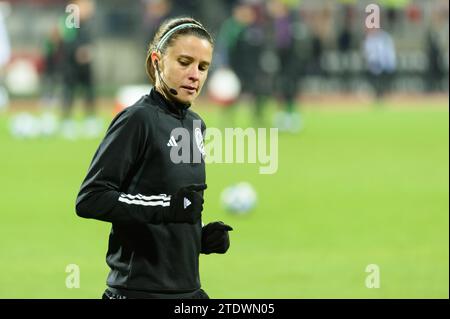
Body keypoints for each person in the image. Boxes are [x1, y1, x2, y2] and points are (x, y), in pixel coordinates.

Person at [75, 17, 233, 299]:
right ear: (158, 60)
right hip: (138, 291)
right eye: (184, 62)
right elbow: (91, 198)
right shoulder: (138, 119)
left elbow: (171, 206)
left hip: (188, 292)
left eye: (203, 66)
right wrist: (167, 208)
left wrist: (197, 238)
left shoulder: (196, 126)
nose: (195, 74)